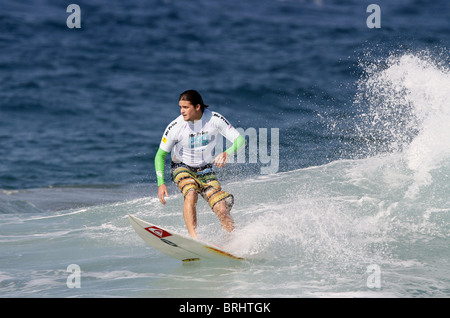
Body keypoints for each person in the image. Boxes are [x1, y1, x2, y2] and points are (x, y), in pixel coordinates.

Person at [154, 90, 245, 238]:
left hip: (205, 170)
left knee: (221, 209)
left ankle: (235, 241)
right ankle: (194, 238)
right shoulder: (176, 126)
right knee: (191, 193)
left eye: (186, 107)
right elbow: (160, 155)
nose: (182, 111)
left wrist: (226, 153)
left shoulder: (214, 119)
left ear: (197, 107)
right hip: (181, 167)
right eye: (180, 107)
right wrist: (161, 183)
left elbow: (240, 140)